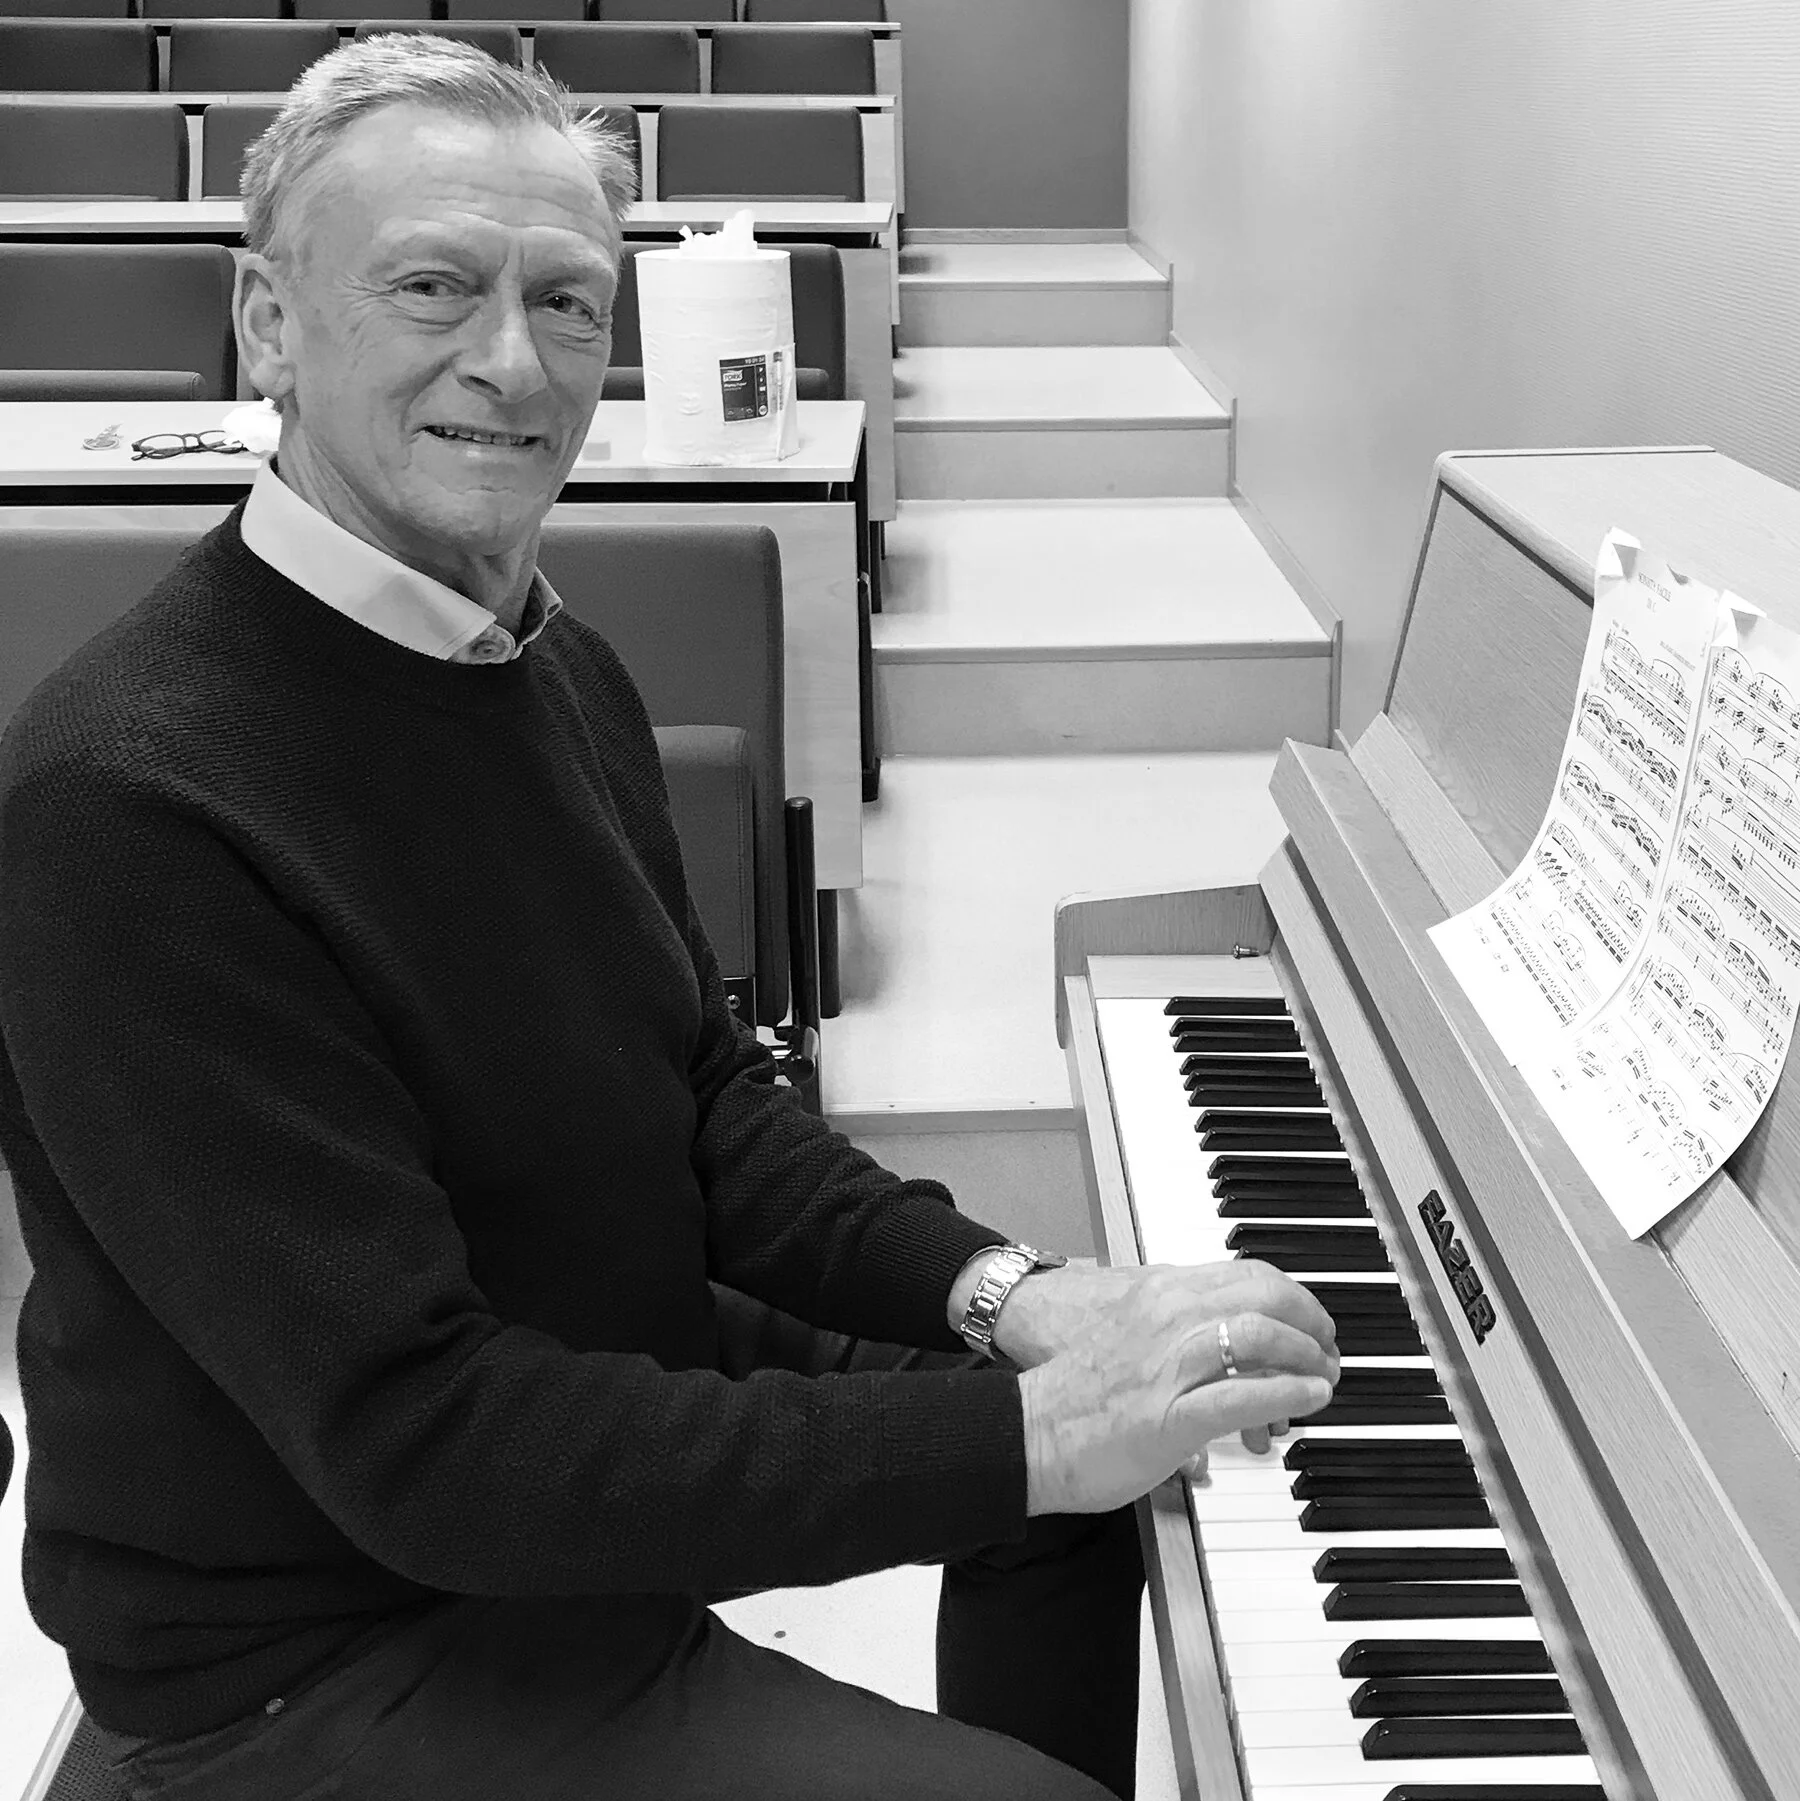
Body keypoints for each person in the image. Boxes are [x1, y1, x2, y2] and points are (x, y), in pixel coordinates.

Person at [0, 37, 1338, 1801]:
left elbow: (707, 1102)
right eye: (432, 286)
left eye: (567, 300)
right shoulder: (128, 803)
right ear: (268, 324)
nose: (513, 361)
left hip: (559, 1368)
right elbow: (430, 1442)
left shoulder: (555, 671)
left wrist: (1006, 1300)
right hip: (321, 1644)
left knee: (1095, 1485)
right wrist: (1026, 1430)